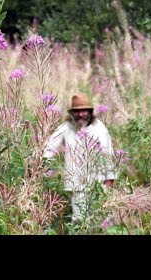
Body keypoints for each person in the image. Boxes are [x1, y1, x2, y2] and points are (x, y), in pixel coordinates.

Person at [43, 93, 116, 223]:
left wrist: (109, 180)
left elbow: (108, 155)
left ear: (90, 112)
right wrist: (39, 163)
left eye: (84, 110)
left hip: (98, 185)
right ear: (72, 113)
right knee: (79, 222)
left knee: (101, 221)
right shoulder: (66, 128)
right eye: (77, 111)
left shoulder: (100, 129)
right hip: (77, 186)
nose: (81, 114)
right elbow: (48, 148)